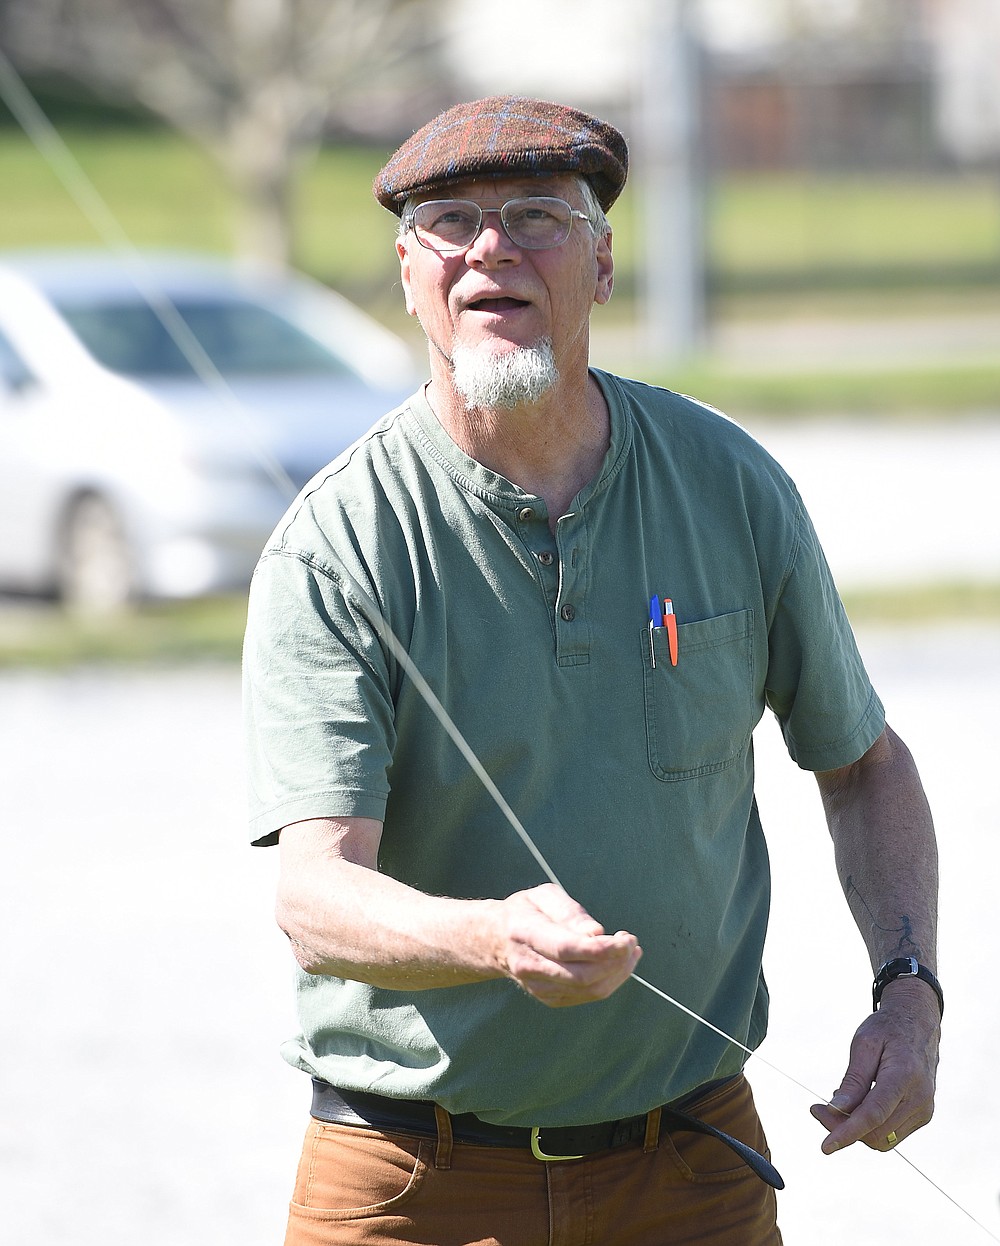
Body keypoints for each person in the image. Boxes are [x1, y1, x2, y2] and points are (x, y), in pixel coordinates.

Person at [243, 95, 942, 1246]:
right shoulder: (339, 541)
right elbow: (314, 895)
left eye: (535, 217)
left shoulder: (729, 483)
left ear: (604, 263)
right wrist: (489, 938)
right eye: (449, 222)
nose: (490, 248)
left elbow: (861, 763)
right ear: (410, 277)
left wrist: (909, 991)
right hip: (413, 1179)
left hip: (690, 1163)